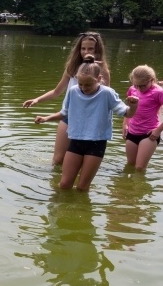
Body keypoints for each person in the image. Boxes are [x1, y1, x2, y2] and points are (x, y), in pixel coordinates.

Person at [34, 56, 137, 191]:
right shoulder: (73, 91)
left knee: (82, 187)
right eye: (80, 83)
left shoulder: (107, 93)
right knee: (64, 184)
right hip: (76, 140)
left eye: (88, 84)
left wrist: (134, 106)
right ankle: (64, 210)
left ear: (99, 79)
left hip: (96, 142)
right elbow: (64, 113)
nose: (83, 88)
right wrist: (46, 118)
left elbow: (127, 113)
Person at [23, 32, 111, 165]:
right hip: (68, 115)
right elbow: (57, 91)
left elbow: (106, 100)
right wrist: (37, 100)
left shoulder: (102, 72)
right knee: (58, 160)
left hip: (90, 121)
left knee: (80, 162)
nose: (86, 52)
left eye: (90, 48)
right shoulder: (72, 68)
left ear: (97, 50)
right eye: (83, 48)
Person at [123, 65, 163, 172]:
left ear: (152, 80)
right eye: (136, 85)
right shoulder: (132, 90)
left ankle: (140, 188)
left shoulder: (159, 92)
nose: (139, 88)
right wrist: (125, 124)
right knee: (130, 164)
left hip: (149, 134)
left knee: (139, 168)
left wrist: (159, 130)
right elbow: (129, 108)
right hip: (132, 131)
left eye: (142, 86)